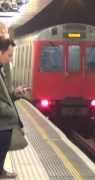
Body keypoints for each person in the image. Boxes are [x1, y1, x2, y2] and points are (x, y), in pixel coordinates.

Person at [0, 37, 23, 179]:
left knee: (3, 148)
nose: (10, 59)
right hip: (2, 119)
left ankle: (0, 171)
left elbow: (4, 96)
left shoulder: (1, 69)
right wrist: (7, 109)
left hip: (4, 121)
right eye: (9, 55)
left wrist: (14, 94)